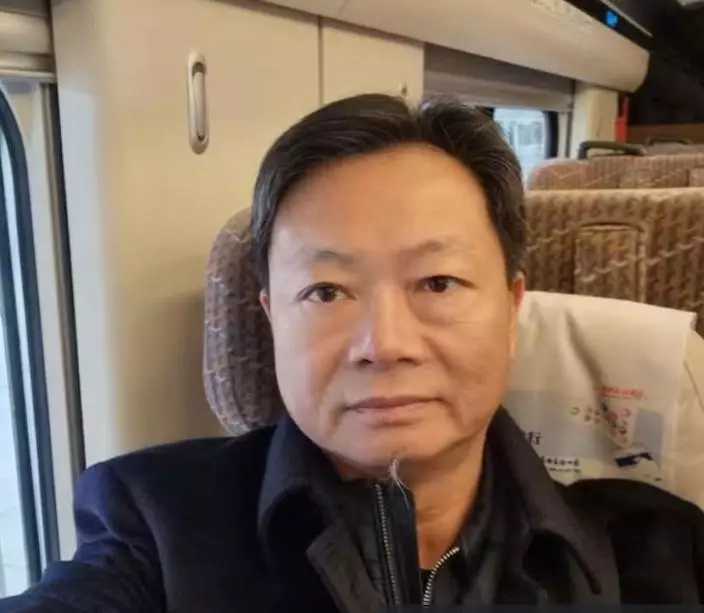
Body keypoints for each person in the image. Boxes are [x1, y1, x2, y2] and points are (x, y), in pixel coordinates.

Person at [3, 94, 704, 613]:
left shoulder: (657, 551)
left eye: (438, 282)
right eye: (327, 291)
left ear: (513, 309)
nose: (385, 345)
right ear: (273, 319)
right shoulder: (159, 527)